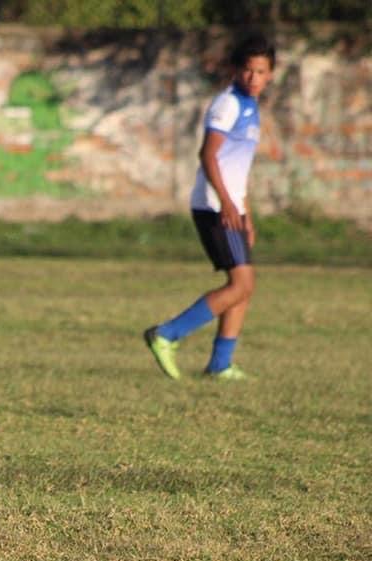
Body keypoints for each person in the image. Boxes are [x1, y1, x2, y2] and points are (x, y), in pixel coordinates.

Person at [145, 34, 275, 381]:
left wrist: (246, 213)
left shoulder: (251, 107)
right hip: (215, 207)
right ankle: (166, 334)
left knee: (244, 285)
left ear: (270, 75)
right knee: (241, 284)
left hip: (232, 206)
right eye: (247, 70)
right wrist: (230, 206)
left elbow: (238, 165)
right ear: (235, 70)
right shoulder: (228, 104)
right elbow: (208, 154)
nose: (253, 77)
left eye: (260, 71)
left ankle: (220, 365)